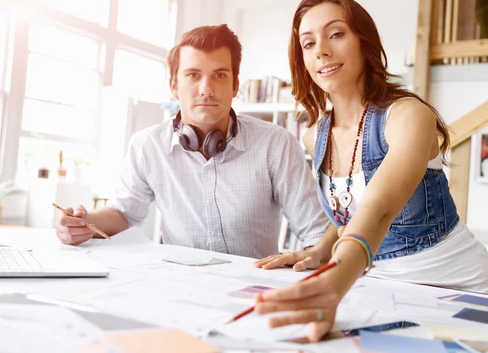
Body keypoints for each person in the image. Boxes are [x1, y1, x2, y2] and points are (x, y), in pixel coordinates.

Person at [252, 0, 488, 342]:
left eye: (336, 34)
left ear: (363, 42)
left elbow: (380, 208)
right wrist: (319, 252)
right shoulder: (315, 135)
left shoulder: (407, 116)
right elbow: (350, 207)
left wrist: (336, 279)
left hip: (462, 295)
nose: (321, 50)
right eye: (308, 43)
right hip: (383, 293)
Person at [55, 24, 329, 259]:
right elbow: (124, 213)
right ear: (174, 85)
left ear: (235, 86)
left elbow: (316, 232)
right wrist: (85, 222)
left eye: (220, 75)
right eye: (193, 75)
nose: (206, 89)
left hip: (254, 290)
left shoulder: (276, 144)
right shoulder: (146, 146)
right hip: (181, 285)